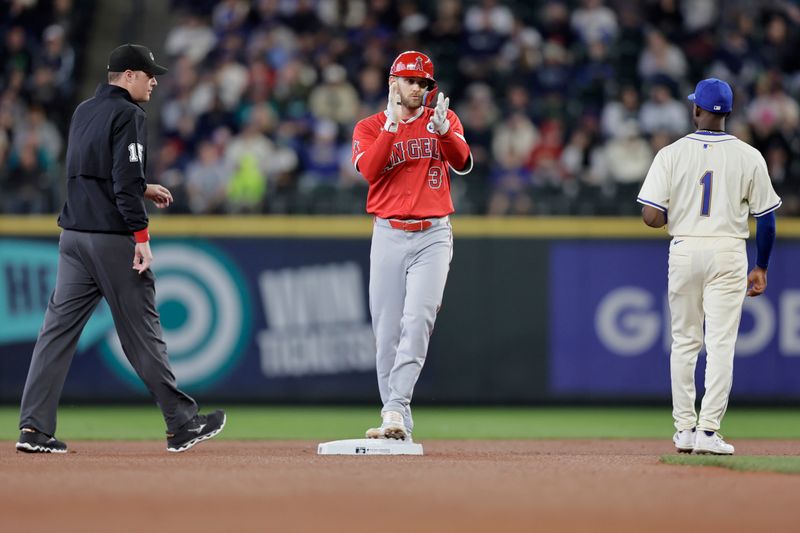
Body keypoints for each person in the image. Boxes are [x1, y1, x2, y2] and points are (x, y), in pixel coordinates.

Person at [15, 44, 226, 454]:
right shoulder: (129, 113)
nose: (154, 80)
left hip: (73, 236)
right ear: (128, 75)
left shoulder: (83, 111)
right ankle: (181, 424)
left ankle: (34, 429)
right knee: (142, 332)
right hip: (111, 239)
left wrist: (140, 188)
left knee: (55, 334)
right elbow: (124, 180)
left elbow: (89, 172)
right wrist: (141, 237)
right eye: (148, 74)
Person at [637, 78, 781, 455]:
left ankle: (684, 428)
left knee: (684, 342)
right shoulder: (749, 155)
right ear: (728, 114)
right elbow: (766, 219)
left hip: (684, 246)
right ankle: (708, 431)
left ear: (696, 109)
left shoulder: (670, 153)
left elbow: (651, 216)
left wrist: (676, 215)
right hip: (729, 250)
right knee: (720, 346)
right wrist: (761, 267)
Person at [351, 51, 472, 441]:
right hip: (387, 232)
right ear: (393, 83)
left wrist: (445, 134)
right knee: (386, 332)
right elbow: (369, 172)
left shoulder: (442, 119)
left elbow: (464, 161)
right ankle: (395, 414)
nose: (417, 88)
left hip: (433, 234)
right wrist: (390, 127)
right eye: (410, 81)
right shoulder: (370, 127)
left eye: (423, 83)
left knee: (418, 319)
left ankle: (395, 408)